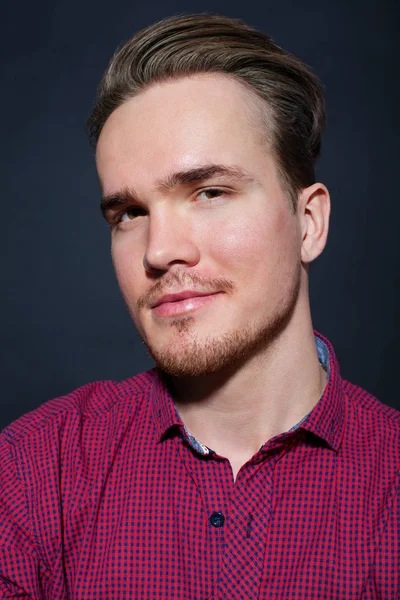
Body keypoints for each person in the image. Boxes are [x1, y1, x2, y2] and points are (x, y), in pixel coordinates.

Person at [0, 13, 398, 599]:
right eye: (129, 213)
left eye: (209, 192)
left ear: (309, 222)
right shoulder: (34, 474)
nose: (160, 251)